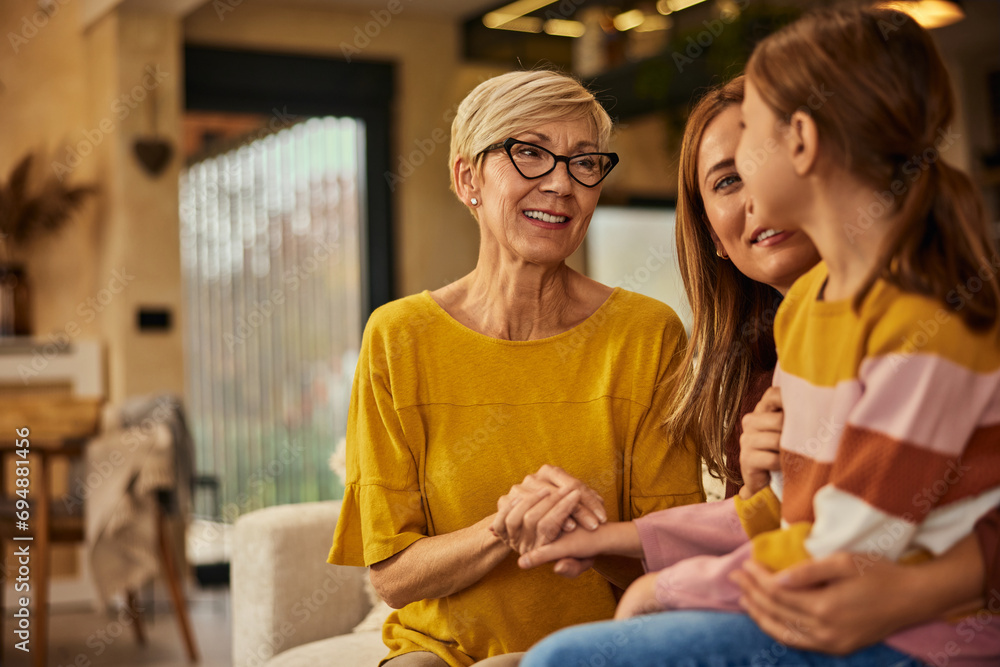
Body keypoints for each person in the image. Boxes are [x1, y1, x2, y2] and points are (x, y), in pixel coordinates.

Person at [519, 6, 1000, 665]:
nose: (746, 188)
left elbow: (848, 543)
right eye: (723, 181)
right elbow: (780, 512)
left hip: (914, 634)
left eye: (751, 144)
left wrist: (668, 587)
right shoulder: (801, 314)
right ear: (710, 235)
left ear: (800, 144)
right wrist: (620, 540)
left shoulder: (921, 322)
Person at [327, 69, 705, 667]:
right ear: (466, 177)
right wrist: (505, 528)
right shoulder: (398, 338)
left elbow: (676, 561)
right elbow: (394, 577)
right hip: (436, 650)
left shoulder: (646, 334)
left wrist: (576, 532)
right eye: (529, 153)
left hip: (599, 649)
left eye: (584, 163)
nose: (560, 184)